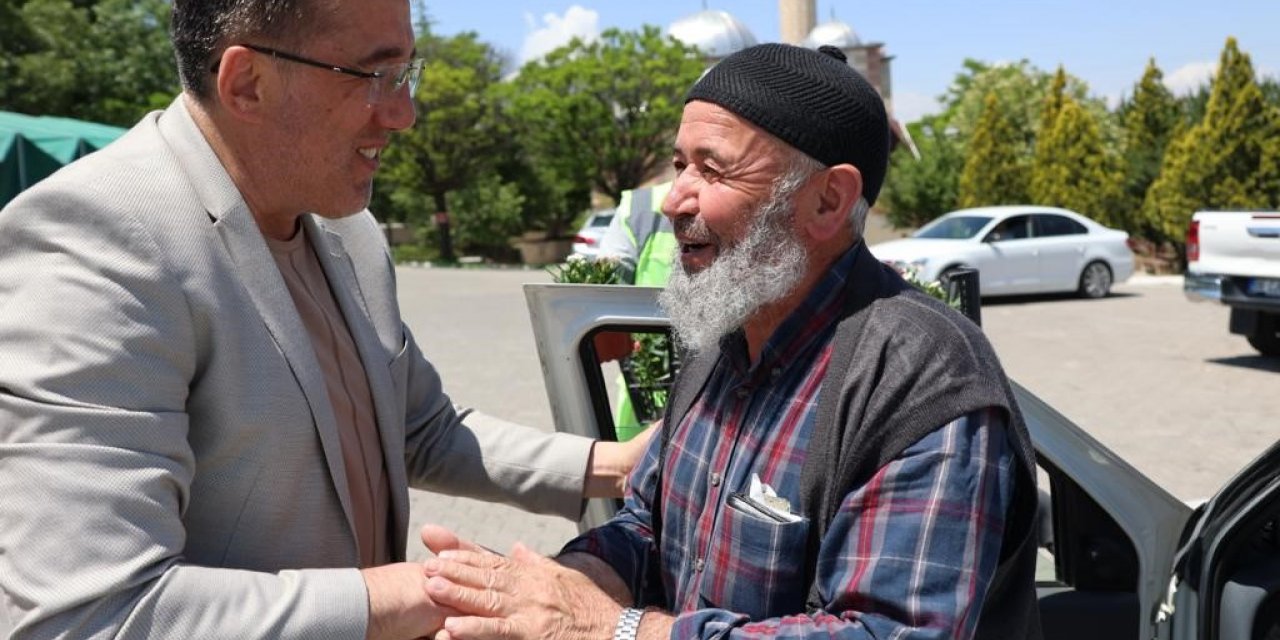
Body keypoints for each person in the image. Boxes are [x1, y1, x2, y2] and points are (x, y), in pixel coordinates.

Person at [0, 1, 645, 638]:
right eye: (376, 77)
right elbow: (91, 614)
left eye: (407, 75)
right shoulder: (97, 241)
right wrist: (421, 593)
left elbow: (419, 429)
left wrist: (620, 465)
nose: (405, 114)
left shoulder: (347, 233)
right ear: (247, 83)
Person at [420, 43, 1043, 640]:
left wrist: (612, 628)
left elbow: (888, 632)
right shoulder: (721, 331)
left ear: (828, 200)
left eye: (712, 169)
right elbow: (647, 524)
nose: (673, 199)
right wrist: (556, 588)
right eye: (678, 164)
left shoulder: (918, 379)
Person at [593, 181, 676, 439]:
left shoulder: (642, 203)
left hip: (651, 386)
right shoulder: (640, 205)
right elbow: (604, 283)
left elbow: (602, 291)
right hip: (646, 391)